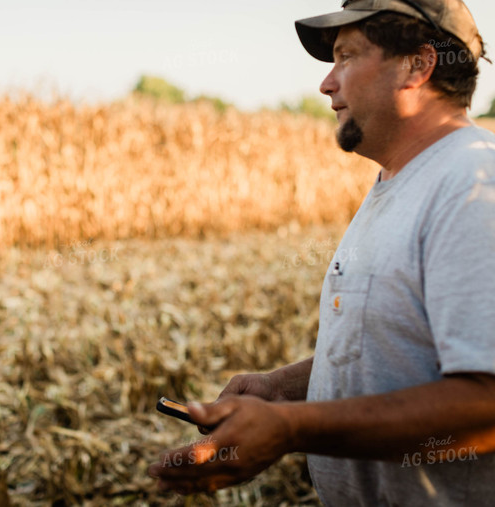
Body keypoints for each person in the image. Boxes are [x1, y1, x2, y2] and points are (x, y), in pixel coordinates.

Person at [148, 0, 495, 504]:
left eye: (347, 57)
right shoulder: (401, 181)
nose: (326, 83)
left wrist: (291, 427)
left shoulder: (471, 186)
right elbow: (395, 347)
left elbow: (485, 404)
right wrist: (282, 390)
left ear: (419, 64)